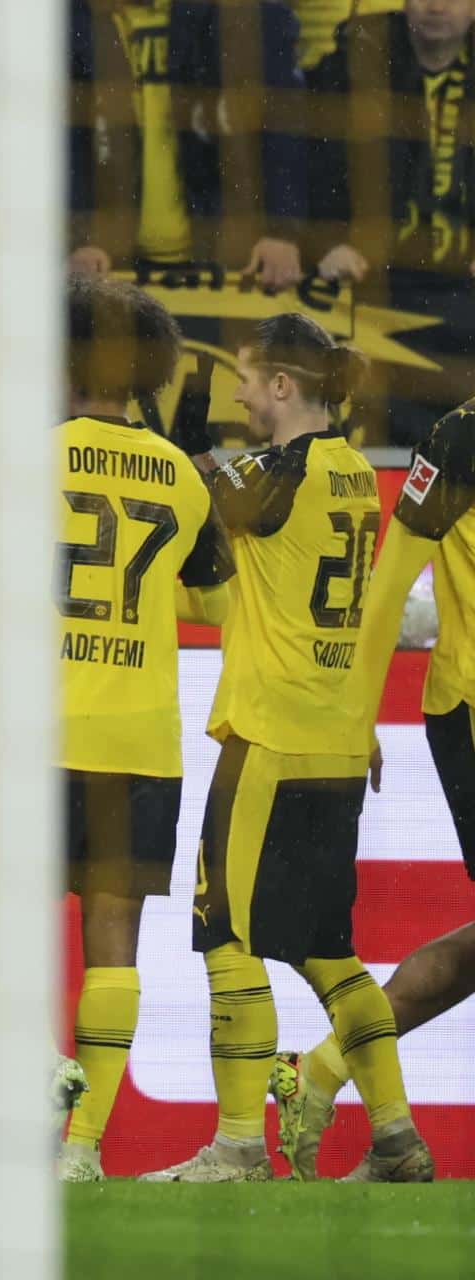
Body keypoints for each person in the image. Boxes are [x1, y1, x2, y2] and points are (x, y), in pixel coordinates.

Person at [140, 315, 430, 1184]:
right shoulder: (352, 474)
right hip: (337, 741)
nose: (235, 390)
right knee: (328, 950)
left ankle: (236, 1145)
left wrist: (161, 420)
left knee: (226, 934)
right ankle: (397, 1140)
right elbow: (275, 596)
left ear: (280, 387)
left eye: (244, 376)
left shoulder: (278, 475)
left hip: (270, 736)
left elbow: (184, 498)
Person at [39, 276, 234, 1182]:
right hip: (142, 739)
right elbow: (219, 601)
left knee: (6, 931)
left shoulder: (32, 455)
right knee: (112, 946)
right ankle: (83, 1152)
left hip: (39, 732)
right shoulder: (182, 479)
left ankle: (36, 1096)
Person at [271, 333, 475, 1180]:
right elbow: (387, 587)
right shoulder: (461, 439)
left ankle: (320, 1074)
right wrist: (356, 720)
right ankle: (327, 1081)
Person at [306, 0, 475, 443]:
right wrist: (324, 243)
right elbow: (309, 165)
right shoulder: (355, 65)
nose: (437, 6)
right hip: (379, 287)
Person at [67, 0, 306, 287]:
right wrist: (76, 241)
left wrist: (280, 231)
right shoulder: (64, 20)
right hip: (108, 265)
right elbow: (61, 141)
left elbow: (282, 123)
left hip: (226, 265)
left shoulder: (246, 12)